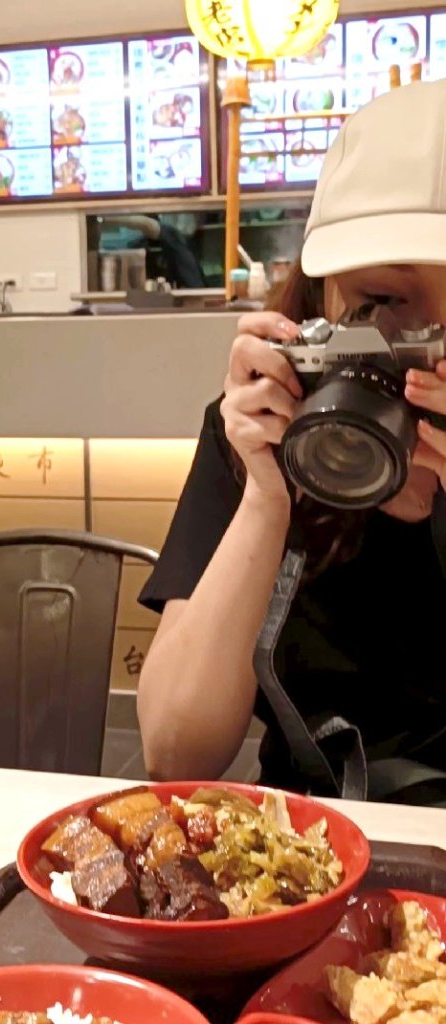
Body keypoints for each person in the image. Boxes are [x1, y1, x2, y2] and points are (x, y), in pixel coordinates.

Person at [136, 78, 446, 805]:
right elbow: (175, 751)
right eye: (387, 301)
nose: (431, 343)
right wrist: (266, 496)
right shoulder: (262, 422)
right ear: (326, 297)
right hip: (307, 834)